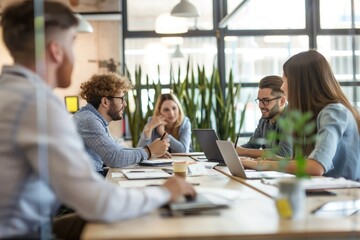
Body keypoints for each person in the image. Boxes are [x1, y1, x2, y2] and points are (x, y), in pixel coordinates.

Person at [0, 1, 195, 239]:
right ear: (56, 51)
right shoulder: (37, 105)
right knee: (139, 223)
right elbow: (98, 201)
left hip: (35, 225)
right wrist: (165, 192)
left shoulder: (13, 93)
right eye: (73, 43)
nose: (75, 54)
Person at [241, 50, 360, 181]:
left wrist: (261, 164)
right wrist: (277, 160)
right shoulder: (312, 115)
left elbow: (316, 166)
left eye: (284, 80)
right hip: (323, 190)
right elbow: (305, 162)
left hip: (345, 195)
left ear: (300, 83)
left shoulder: (334, 112)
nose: (282, 87)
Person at [73, 73, 170, 175]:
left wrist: (152, 152)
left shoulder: (94, 118)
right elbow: (115, 158)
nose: (125, 104)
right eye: (121, 99)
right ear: (105, 102)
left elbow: (118, 151)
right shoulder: (89, 120)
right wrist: (149, 151)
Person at [236, 75, 292, 158]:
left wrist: (243, 151)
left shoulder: (290, 119)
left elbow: (284, 152)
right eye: (259, 100)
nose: (260, 105)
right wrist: (233, 149)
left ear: (282, 101)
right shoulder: (264, 120)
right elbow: (251, 145)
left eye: (266, 101)